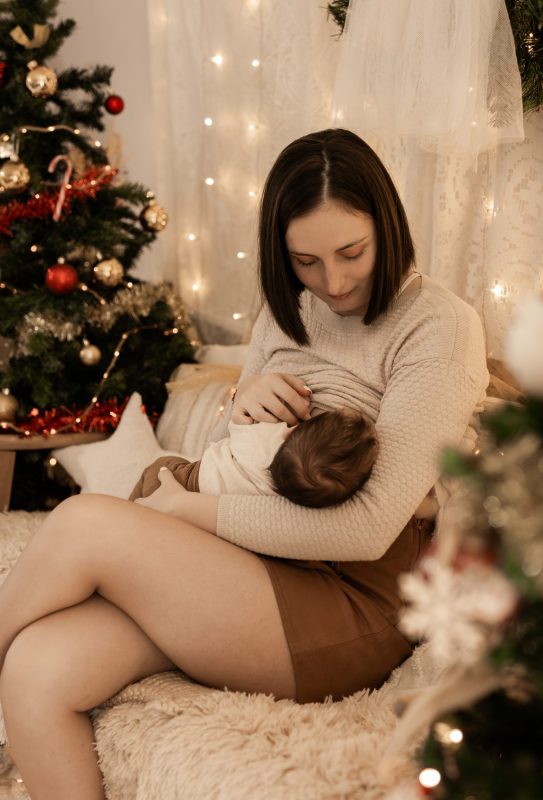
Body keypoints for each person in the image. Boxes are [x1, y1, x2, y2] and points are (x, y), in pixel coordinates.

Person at [0, 128, 488, 800]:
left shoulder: (438, 324)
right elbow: (243, 457)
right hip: (248, 568)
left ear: (388, 226)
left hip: (349, 598)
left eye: (352, 252)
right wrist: (244, 404)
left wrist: (184, 508)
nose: (334, 282)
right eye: (306, 261)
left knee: (84, 523)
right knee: (34, 669)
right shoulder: (286, 312)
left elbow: (370, 527)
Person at [130, 406, 379, 509]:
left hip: (186, 478)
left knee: (159, 466)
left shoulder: (264, 437)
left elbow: (237, 423)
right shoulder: (282, 497)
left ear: (293, 430)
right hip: (206, 516)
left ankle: (129, 508)